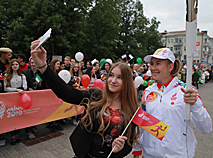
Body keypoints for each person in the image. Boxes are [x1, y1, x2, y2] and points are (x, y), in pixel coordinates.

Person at [30, 39, 140, 158]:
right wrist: (43, 67)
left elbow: (129, 143)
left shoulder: (131, 109)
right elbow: (67, 93)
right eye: (111, 75)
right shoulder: (96, 96)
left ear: (127, 82)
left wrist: (119, 150)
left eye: (120, 77)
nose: (113, 81)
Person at [132, 48, 212, 158]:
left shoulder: (186, 90)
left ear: (170, 67)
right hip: (149, 155)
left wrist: (195, 104)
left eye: (158, 64)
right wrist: (137, 151)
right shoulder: (148, 92)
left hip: (178, 155)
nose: (153, 68)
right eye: (152, 64)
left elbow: (206, 128)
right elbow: (142, 124)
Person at [4, 59, 27, 145]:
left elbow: (25, 87)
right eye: (13, 64)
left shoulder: (22, 76)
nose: (15, 66)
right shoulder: (7, 76)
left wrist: (20, 90)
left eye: (16, 64)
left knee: (19, 116)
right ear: (11, 66)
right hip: (10, 99)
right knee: (12, 117)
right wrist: (16, 90)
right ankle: (13, 136)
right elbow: (6, 88)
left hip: (20, 99)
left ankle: (17, 135)